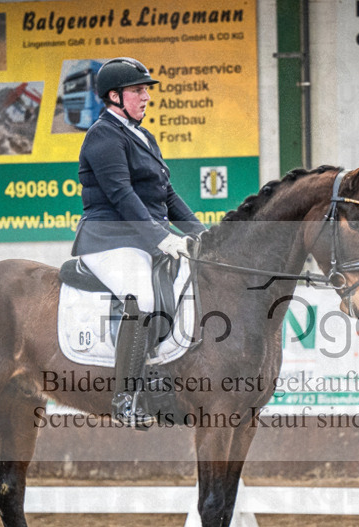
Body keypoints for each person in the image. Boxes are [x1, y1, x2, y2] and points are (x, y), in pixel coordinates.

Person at [71, 57, 206, 427]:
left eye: (146, 90)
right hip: (109, 239)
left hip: (142, 239)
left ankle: (161, 382)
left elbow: (168, 195)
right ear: (114, 96)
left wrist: (201, 233)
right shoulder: (102, 135)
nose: (146, 96)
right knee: (142, 298)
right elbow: (121, 195)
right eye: (138, 90)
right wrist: (162, 237)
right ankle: (125, 398)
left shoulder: (143, 136)